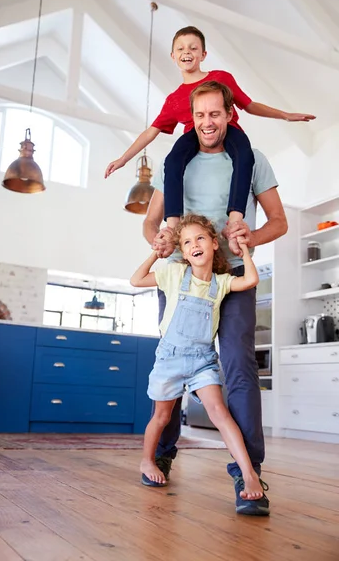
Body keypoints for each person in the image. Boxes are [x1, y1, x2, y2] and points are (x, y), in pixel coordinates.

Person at [142, 80, 288, 516]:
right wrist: (160, 242)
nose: (207, 123)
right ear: (192, 118)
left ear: (229, 115)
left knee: (240, 367)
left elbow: (278, 221)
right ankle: (163, 451)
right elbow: (151, 224)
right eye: (200, 115)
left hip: (235, 278)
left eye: (215, 114)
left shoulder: (252, 160)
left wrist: (250, 235)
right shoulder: (178, 164)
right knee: (173, 360)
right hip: (185, 282)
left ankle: (249, 470)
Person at [105, 26, 314, 255]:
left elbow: (249, 105)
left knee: (245, 157)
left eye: (194, 48)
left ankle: (234, 219)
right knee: (173, 160)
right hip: (192, 137)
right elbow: (151, 132)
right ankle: (173, 225)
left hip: (230, 132)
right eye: (181, 48)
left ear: (203, 54)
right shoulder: (174, 100)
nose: (187, 52)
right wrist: (123, 159)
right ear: (173, 56)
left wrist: (284, 115)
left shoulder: (221, 79)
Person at [131, 214, 267, 503]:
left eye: (201, 238)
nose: (194, 244)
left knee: (220, 413)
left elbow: (252, 279)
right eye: (187, 241)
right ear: (182, 250)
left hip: (202, 361)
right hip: (170, 359)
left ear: (215, 244)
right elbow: (136, 279)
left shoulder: (222, 282)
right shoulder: (175, 274)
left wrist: (244, 253)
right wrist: (157, 252)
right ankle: (147, 460)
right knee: (162, 416)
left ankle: (249, 472)